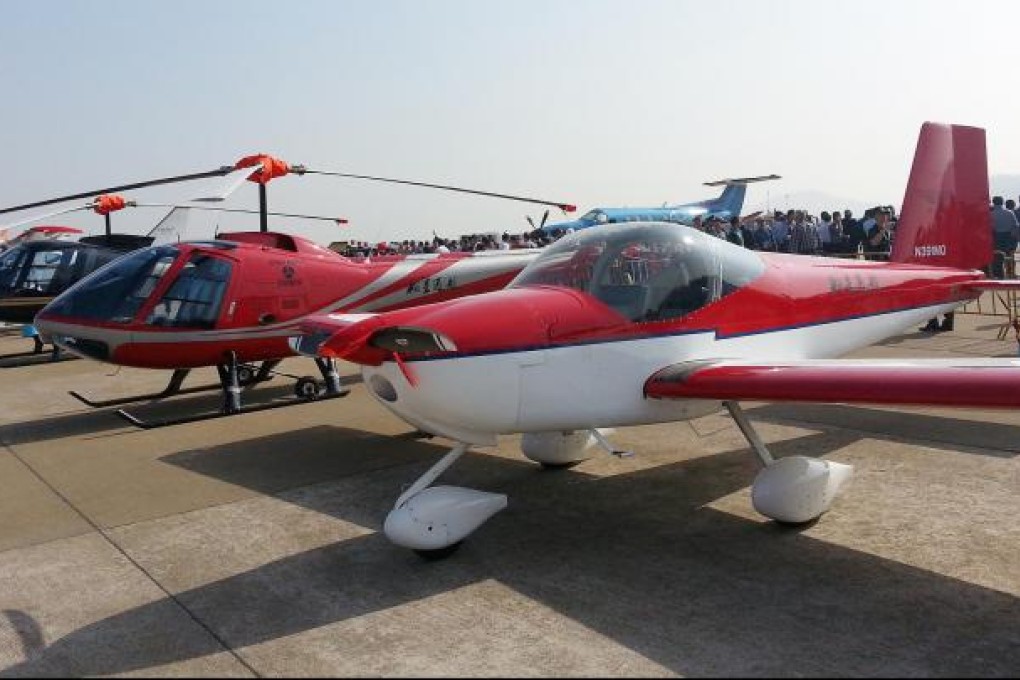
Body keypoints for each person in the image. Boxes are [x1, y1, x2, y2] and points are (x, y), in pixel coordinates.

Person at [990, 195, 1019, 278]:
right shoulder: (1010, 212)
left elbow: (990, 227)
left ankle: (1000, 275)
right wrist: (1013, 236)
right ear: (1002, 202)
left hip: (997, 236)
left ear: (993, 202)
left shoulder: (991, 214)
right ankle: (1011, 274)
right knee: (1010, 256)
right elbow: (1016, 226)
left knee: (998, 257)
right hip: (1009, 236)